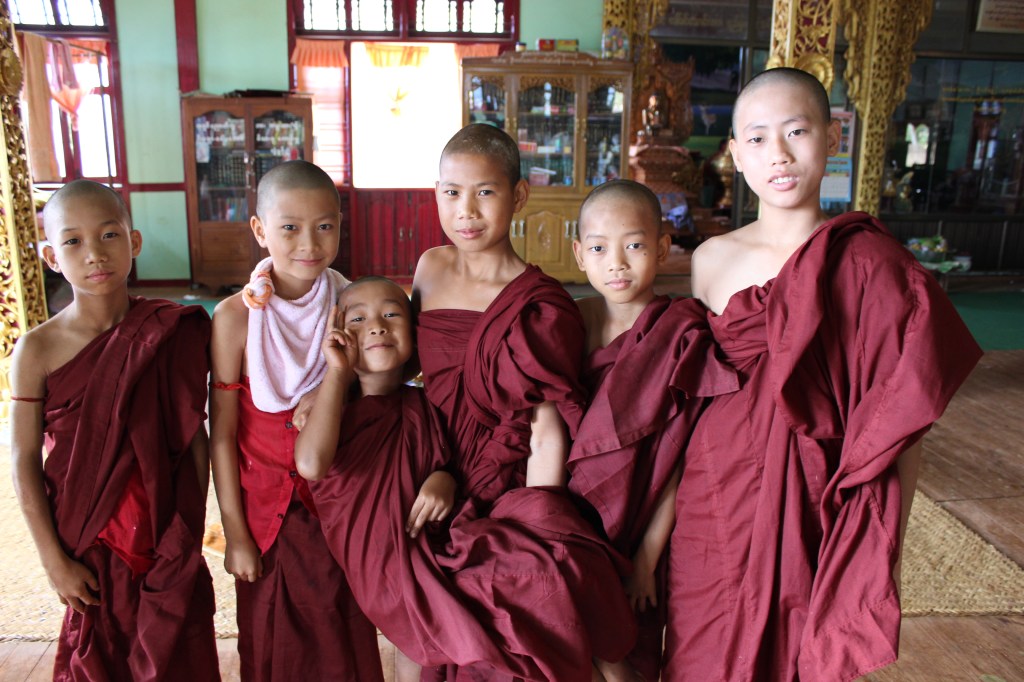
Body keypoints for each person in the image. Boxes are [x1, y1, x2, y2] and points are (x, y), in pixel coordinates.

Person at [662, 67, 983, 681]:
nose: (777, 155)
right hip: (714, 495)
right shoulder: (710, 260)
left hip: (817, 498)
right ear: (734, 153)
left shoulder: (870, 264)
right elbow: (693, 396)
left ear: (833, 136)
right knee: (699, 651)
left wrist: (884, 544)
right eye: (756, 138)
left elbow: (897, 425)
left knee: (804, 653)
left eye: (797, 131)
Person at [296, 277, 623, 682]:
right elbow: (311, 464)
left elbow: (445, 461)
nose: (377, 326)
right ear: (340, 334)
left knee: (540, 555)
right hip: (381, 565)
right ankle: (601, 664)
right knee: (496, 595)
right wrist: (336, 372)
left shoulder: (423, 404)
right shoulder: (333, 409)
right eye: (358, 319)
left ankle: (594, 656)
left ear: (416, 334)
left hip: (430, 549)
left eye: (392, 314)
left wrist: (441, 479)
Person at [413, 123, 638, 681]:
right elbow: (405, 372)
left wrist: (524, 510)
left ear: (518, 196)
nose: (466, 211)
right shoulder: (429, 269)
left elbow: (541, 426)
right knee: (429, 632)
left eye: (485, 192)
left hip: (509, 481)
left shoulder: (541, 305)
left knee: (537, 607)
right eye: (451, 192)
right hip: (428, 472)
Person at [10, 180, 219, 679]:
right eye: (73, 241)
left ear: (134, 242)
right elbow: (21, 460)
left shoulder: (171, 329)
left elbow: (194, 437)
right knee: (100, 656)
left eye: (109, 235)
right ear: (51, 255)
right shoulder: (37, 350)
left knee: (177, 650)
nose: (94, 254)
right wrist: (52, 561)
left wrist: (187, 528)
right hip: (89, 540)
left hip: (165, 532)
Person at [209, 161, 382, 681]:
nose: (310, 243)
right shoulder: (234, 317)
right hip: (264, 517)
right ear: (260, 230)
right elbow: (221, 436)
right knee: (267, 642)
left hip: (334, 507)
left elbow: (381, 388)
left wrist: (337, 384)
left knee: (340, 632)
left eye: (325, 226)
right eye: (290, 227)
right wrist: (235, 533)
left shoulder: (348, 303)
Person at [567, 180, 739, 680]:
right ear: (579, 254)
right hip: (575, 516)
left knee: (633, 643)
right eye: (599, 248)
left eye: (635, 245)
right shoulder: (569, 324)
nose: (616, 262)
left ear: (663, 247)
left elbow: (680, 459)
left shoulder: (682, 331)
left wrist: (645, 557)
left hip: (647, 521)